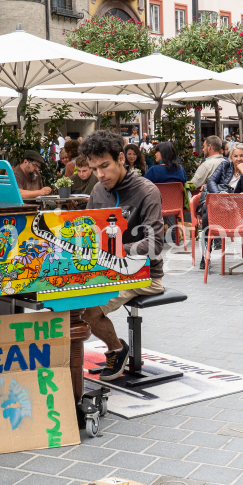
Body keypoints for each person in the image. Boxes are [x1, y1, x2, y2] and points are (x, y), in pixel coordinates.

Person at [80, 129, 164, 381]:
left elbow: (155, 243)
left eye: (104, 166)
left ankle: (117, 349)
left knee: (87, 310)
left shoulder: (146, 191)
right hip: (105, 269)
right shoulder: (98, 190)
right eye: (94, 169)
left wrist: (113, 249)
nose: (100, 175)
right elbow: (86, 229)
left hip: (145, 273)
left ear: (120, 158)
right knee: (65, 302)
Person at [199, 144, 243, 268]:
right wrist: (219, 196)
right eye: (235, 156)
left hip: (237, 207)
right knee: (207, 216)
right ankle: (206, 255)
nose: (238, 159)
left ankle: (213, 242)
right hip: (219, 202)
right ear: (230, 157)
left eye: (241, 156)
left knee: (208, 214)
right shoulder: (224, 166)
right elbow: (211, 181)